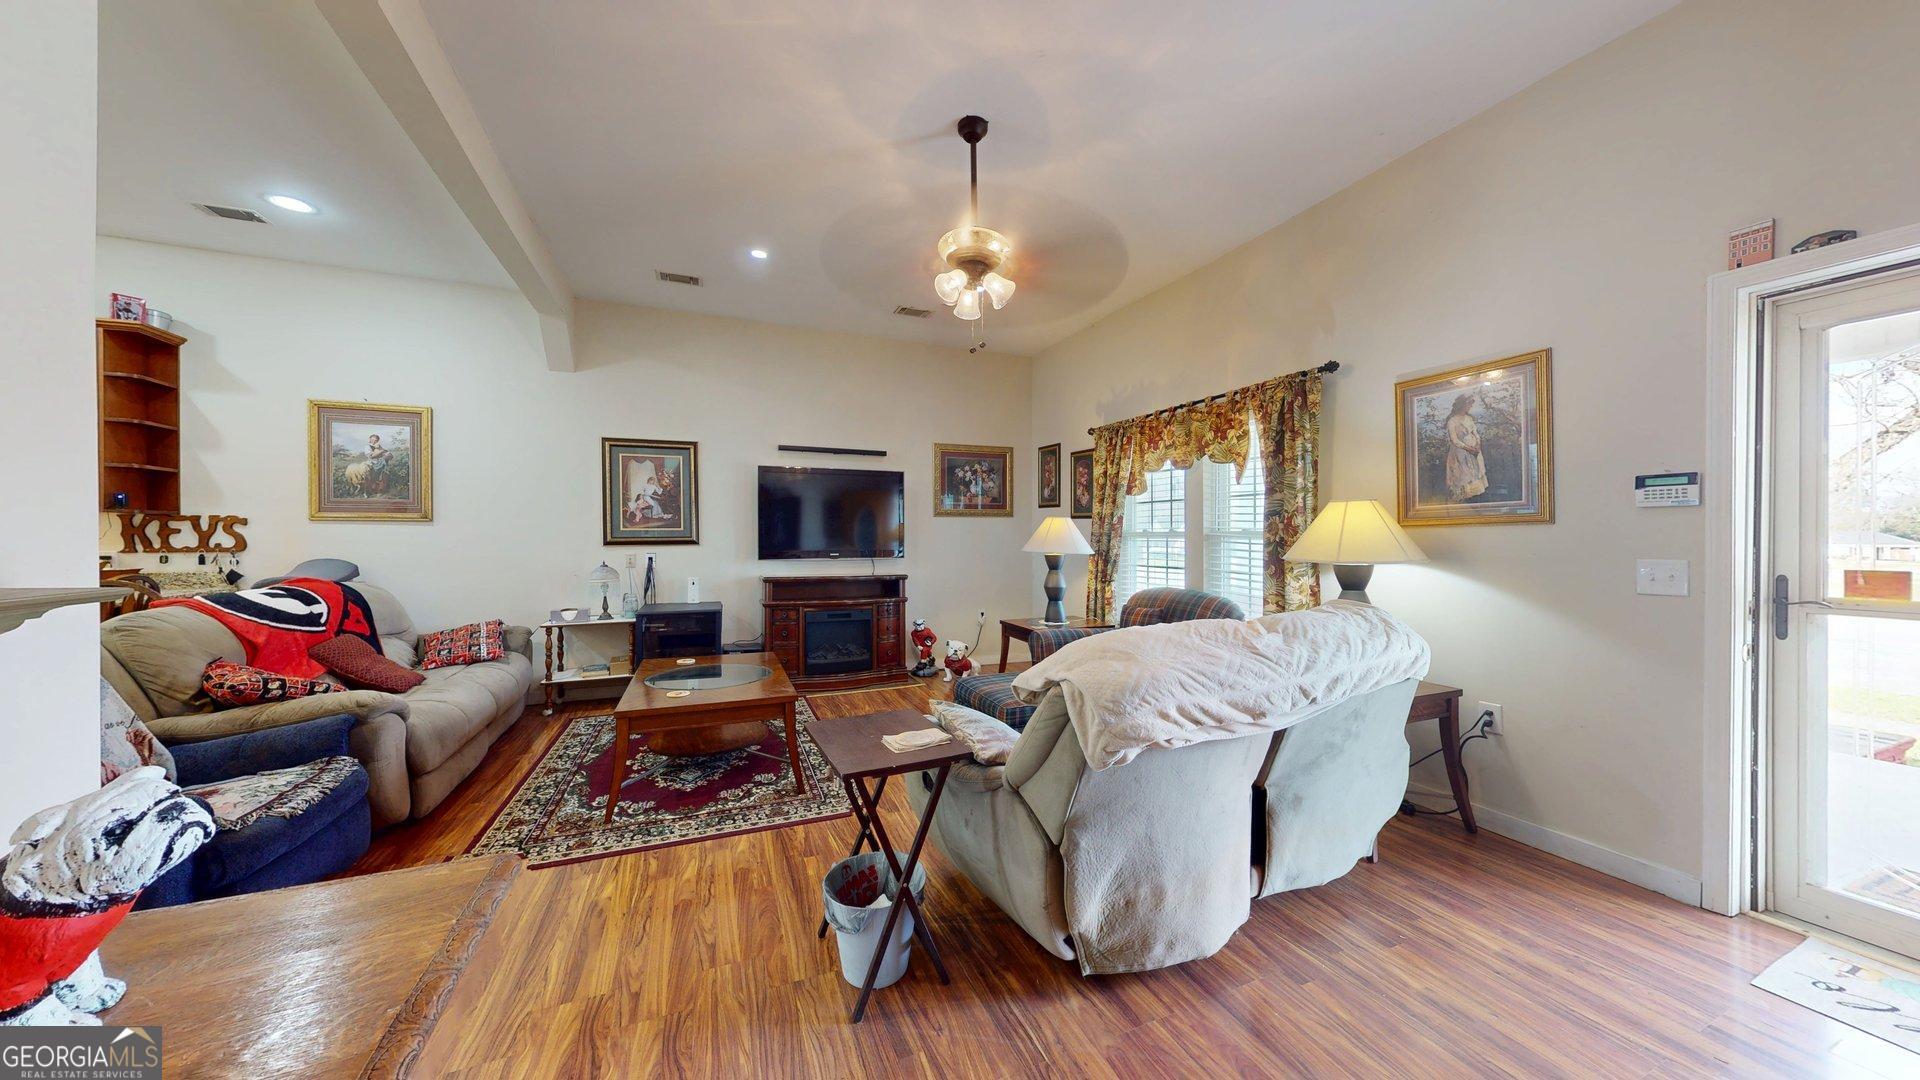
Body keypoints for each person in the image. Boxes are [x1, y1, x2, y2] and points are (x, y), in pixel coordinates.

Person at [1445, 394, 1489, 502]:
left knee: (1476, 472)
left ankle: (1476, 497)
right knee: (1464, 474)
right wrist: (1468, 448)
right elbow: (1454, 440)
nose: (1470, 407)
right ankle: (1464, 497)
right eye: (1469, 404)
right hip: (1460, 452)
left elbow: (1476, 433)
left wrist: (1478, 444)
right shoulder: (1452, 421)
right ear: (1462, 405)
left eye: (1471, 404)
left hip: (1474, 450)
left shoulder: (1469, 418)